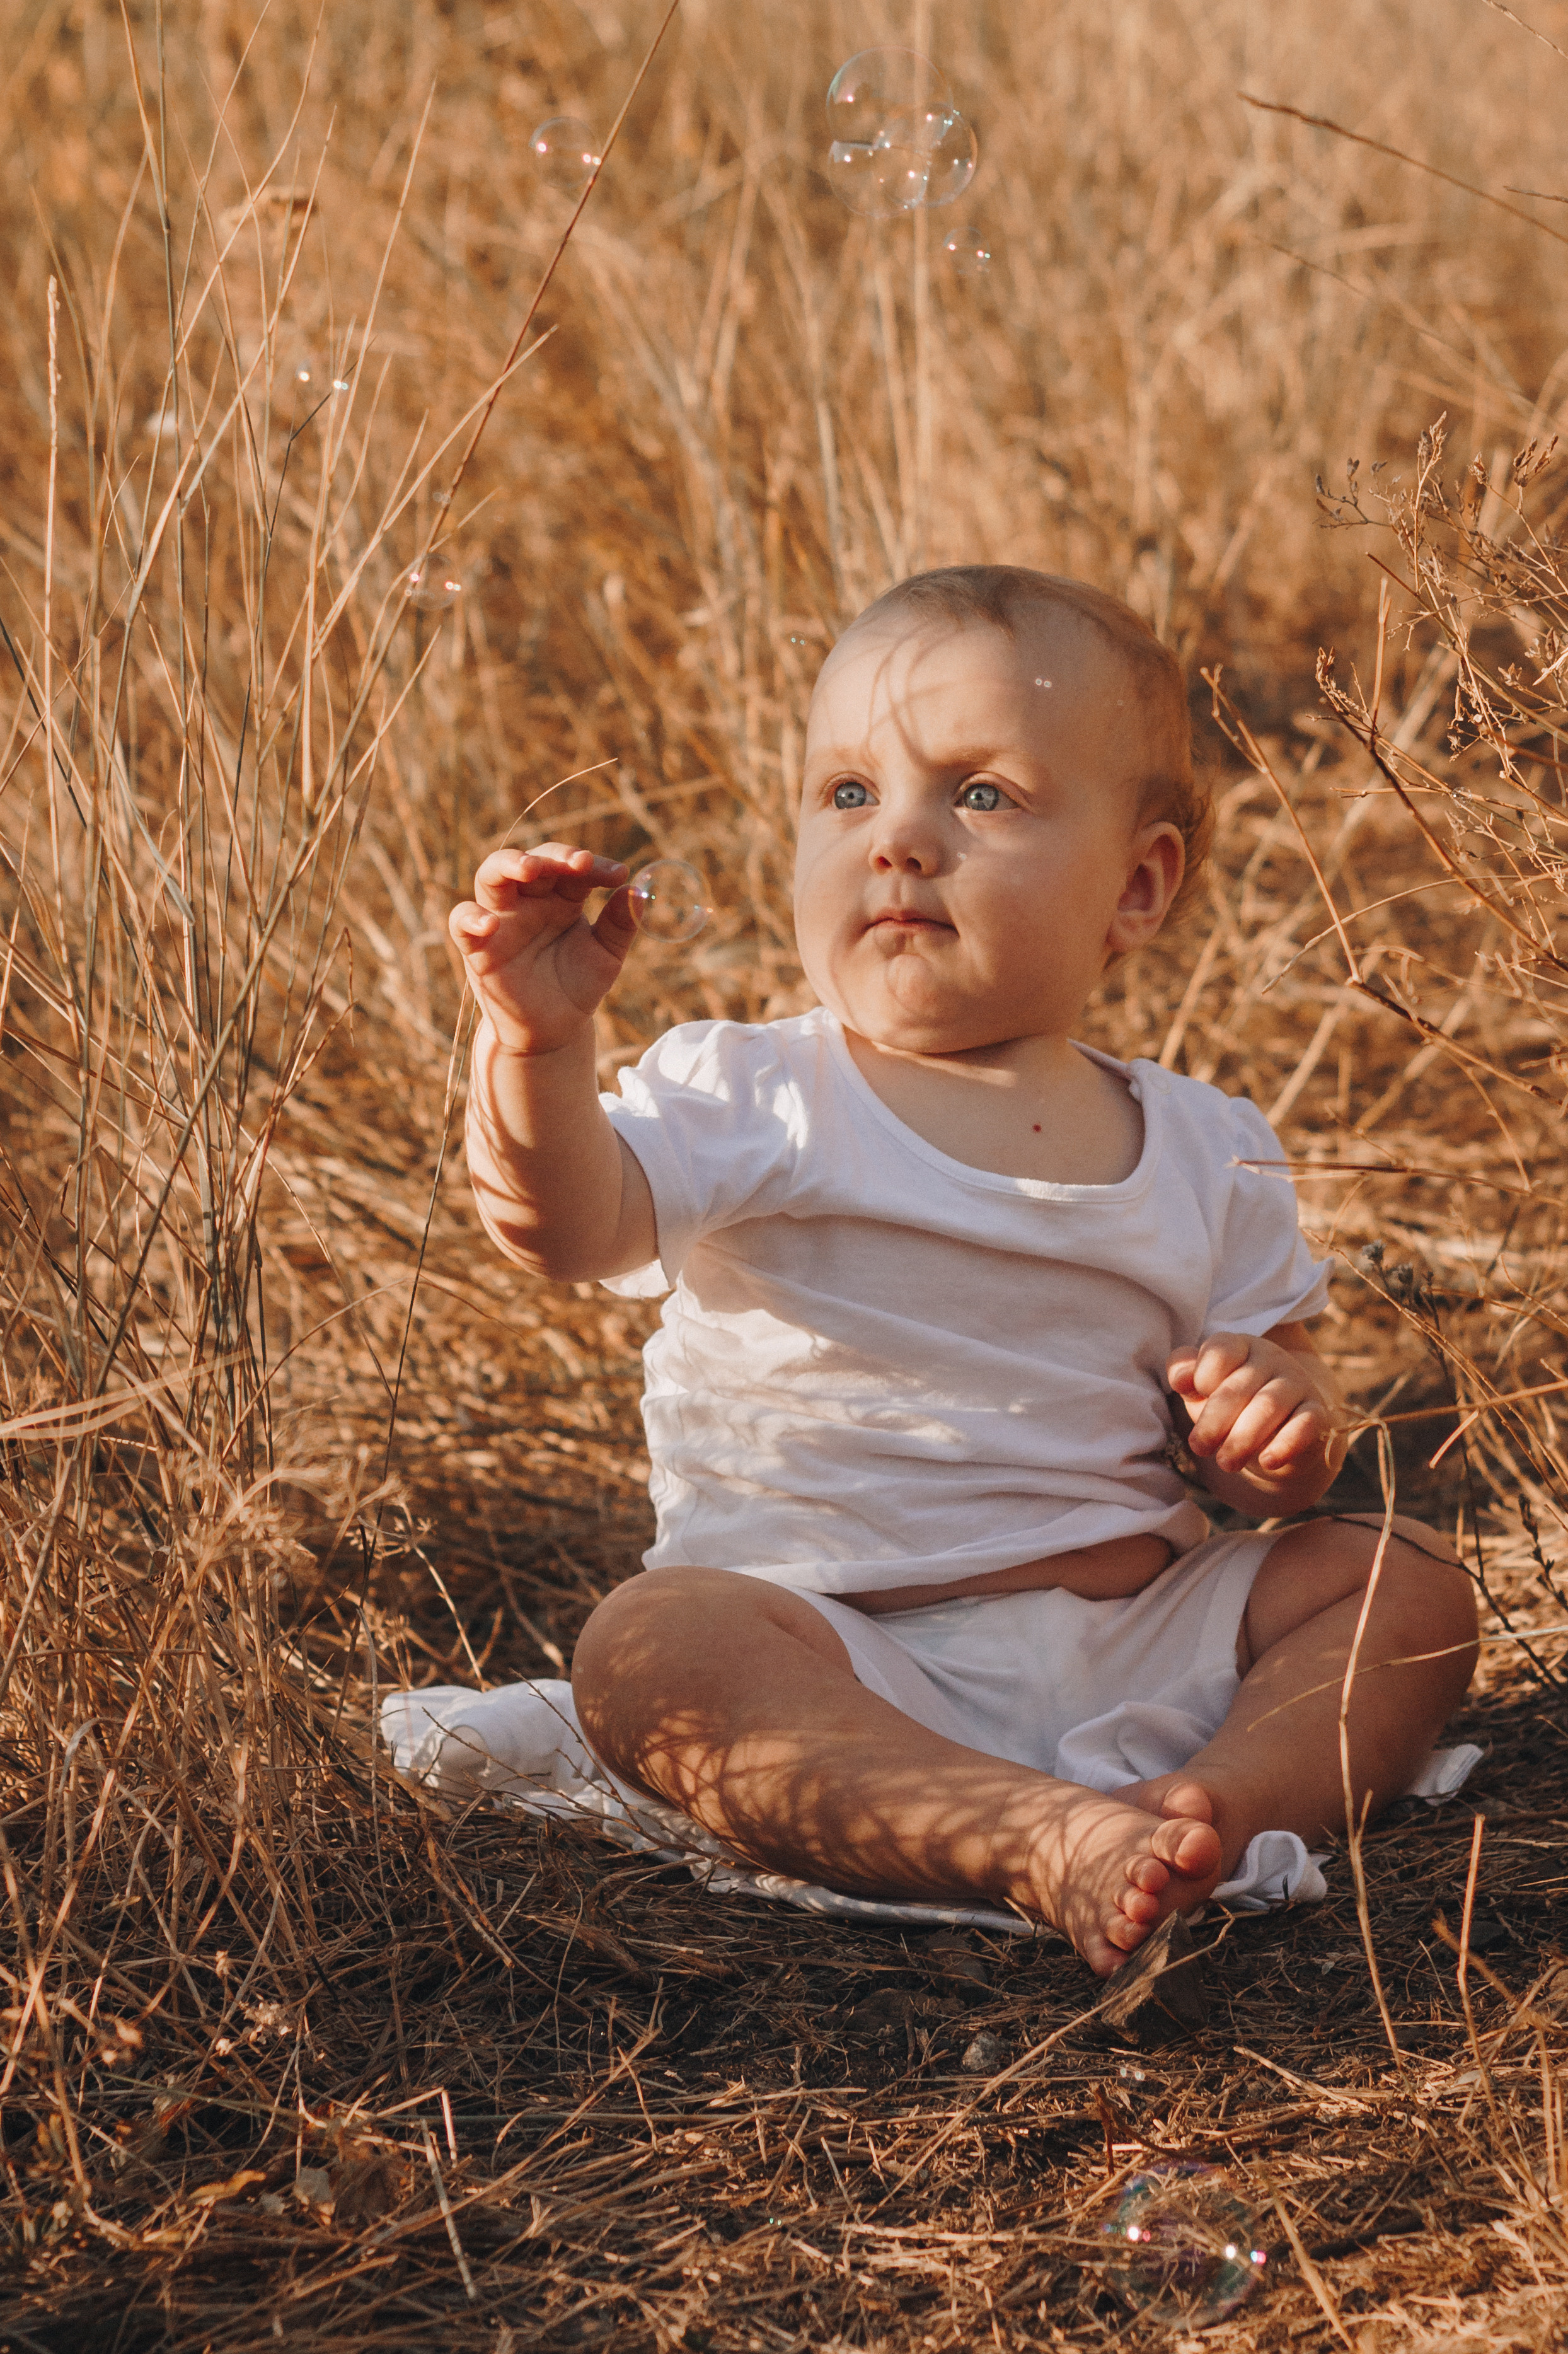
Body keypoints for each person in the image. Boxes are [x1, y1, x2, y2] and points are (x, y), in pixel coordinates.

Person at [447, 565, 1479, 1977]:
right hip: (835, 1659)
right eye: (850, 794)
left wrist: (1279, 1423)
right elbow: (568, 1226)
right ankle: (1030, 1841)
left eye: (979, 796)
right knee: (646, 1651)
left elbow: (1275, 1424)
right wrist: (534, 1049)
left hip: (1136, 1641)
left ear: (1138, 882)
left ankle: (1207, 1810)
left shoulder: (1203, 1144)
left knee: (1403, 1583)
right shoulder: (759, 1093)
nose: (902, 841)